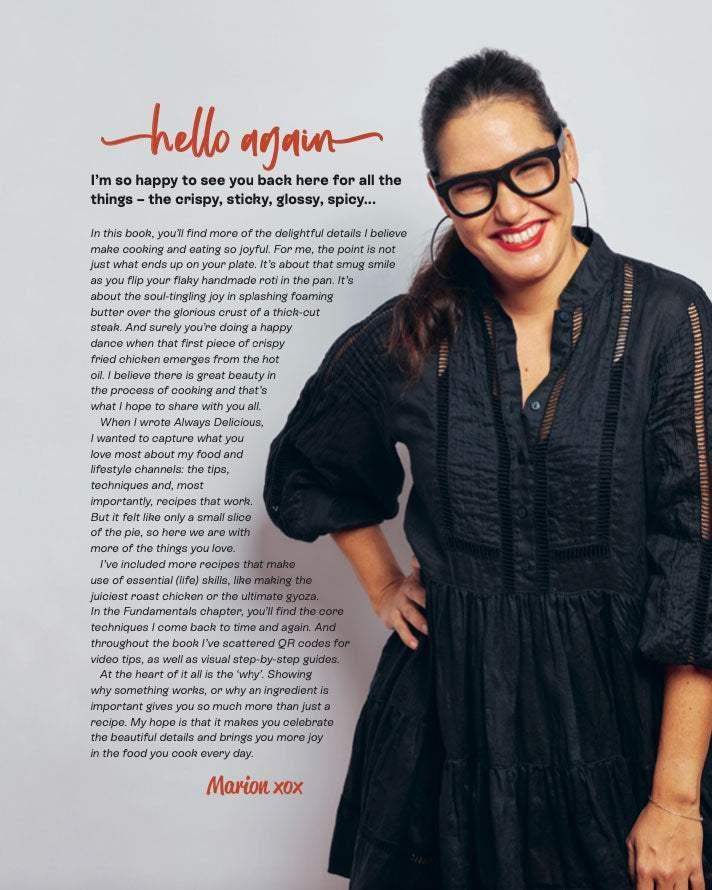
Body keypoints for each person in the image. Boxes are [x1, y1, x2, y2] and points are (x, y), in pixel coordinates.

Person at [262, 47, 712, 890]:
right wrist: (383, 582)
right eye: (475, 186)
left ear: (567, 156)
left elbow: (700, 560)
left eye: (531, 169)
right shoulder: (411, 334)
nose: (510, 207)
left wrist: (677, 802)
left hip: (620, 736)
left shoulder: (667, 319)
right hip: (447, 730)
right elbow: (309, 467)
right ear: (444, 198)